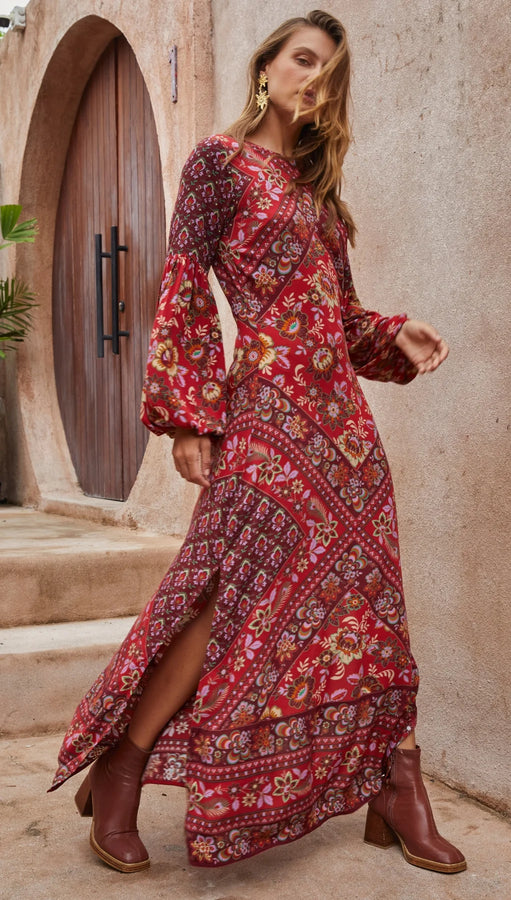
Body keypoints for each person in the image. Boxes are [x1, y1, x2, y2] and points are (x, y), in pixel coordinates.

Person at [50, 9, 466, 877]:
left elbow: (340, 319)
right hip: (268, 411)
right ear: (267, 65)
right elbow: (183, 281)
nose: (313, 79)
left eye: (329, 72)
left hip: (343, 429)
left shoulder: (320, 191)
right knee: (225, 590)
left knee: (370, 593)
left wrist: (397, 333)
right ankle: (121, 765)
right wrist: (192, 417)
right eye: (303, 60)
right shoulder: (220, 162)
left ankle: (397, 780)